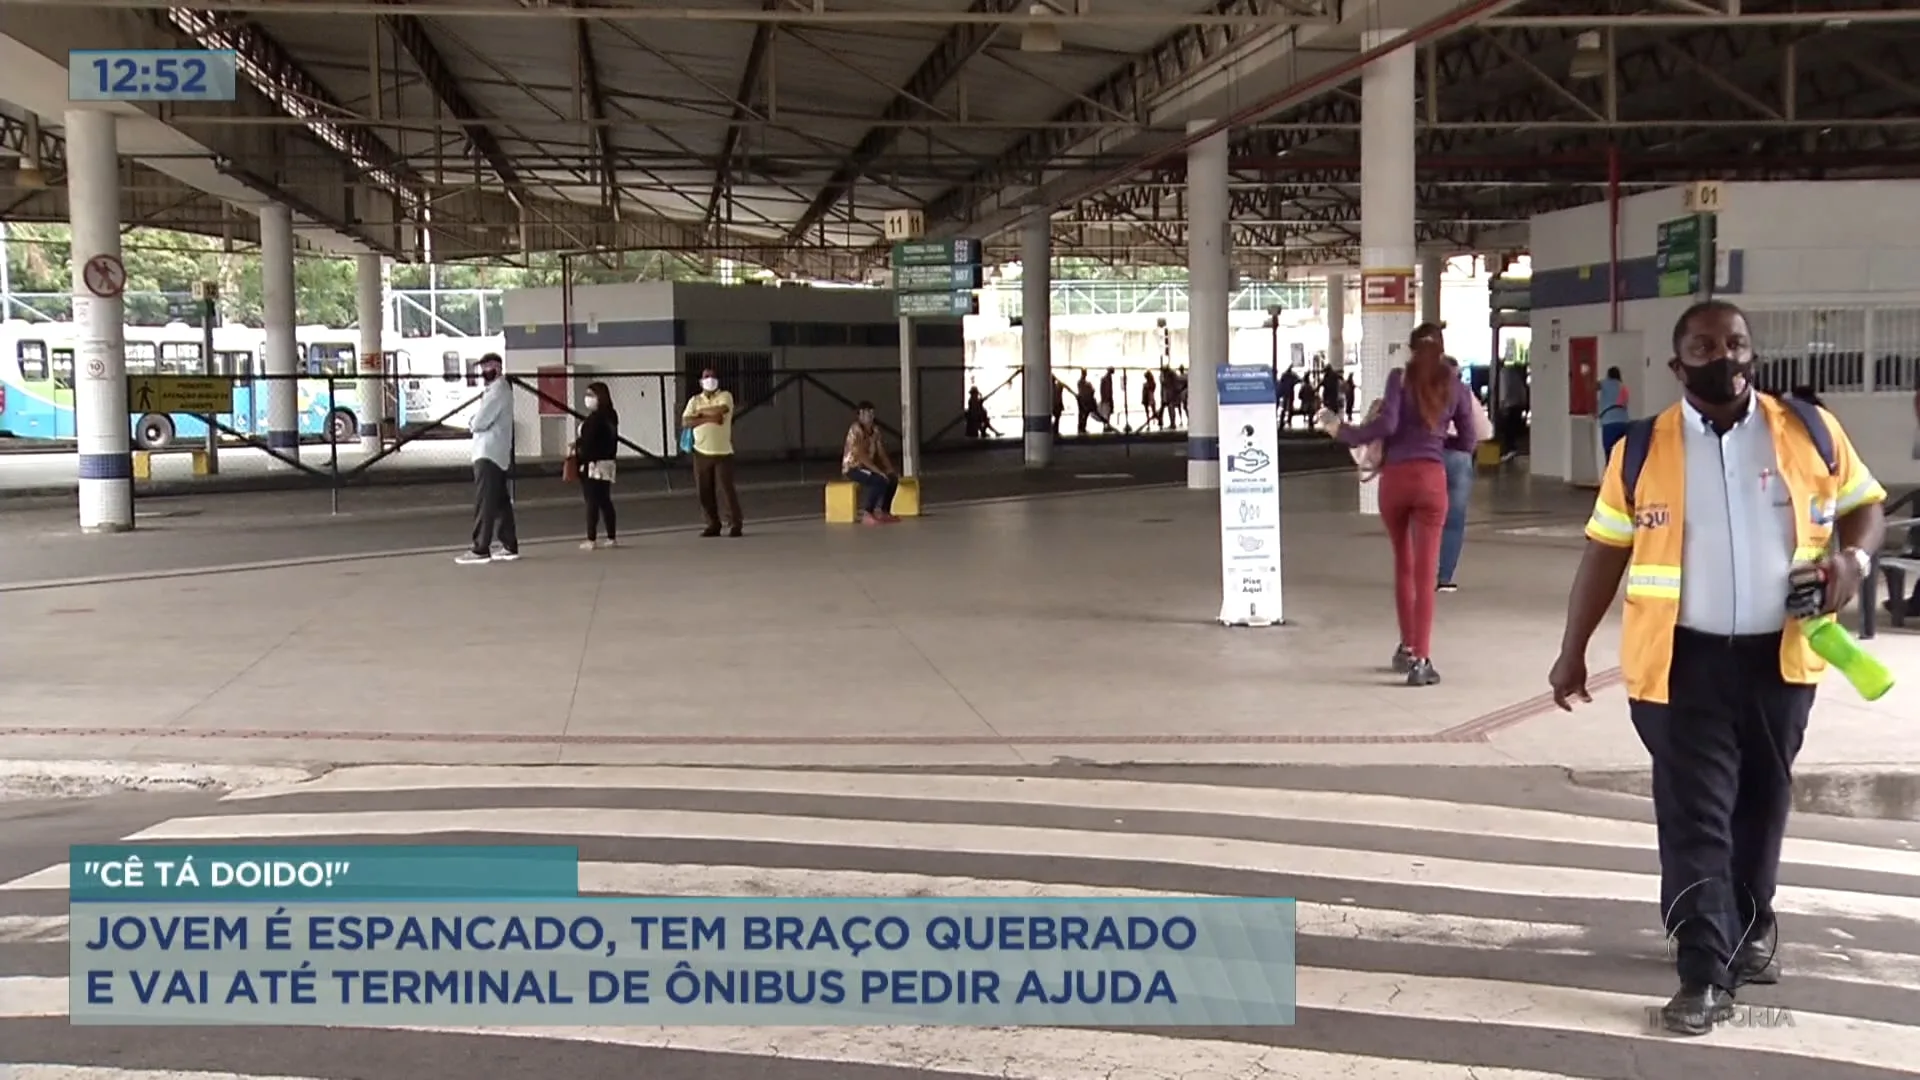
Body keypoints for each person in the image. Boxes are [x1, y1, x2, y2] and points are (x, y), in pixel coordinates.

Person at [1549, 299, 1886, 1036]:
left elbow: (1866, 506)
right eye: (1704, 346)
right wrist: (1573, 649)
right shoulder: (1642, 449)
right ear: (1678, 365)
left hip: (1782, 659)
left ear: (1752, 354)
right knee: (1696, 814)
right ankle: (1704, 969)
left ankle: (1753, 922)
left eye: (1734, 342)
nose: (1723, 356)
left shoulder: (1809, 431)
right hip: (1679, 664)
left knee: (1761, 805)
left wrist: (1851, 563)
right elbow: (1604, 550)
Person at [1319, 323, 1477, 685]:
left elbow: (1387, 424)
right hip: (1431, 482)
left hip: (1395, 482)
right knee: (1426, 572)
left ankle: (1407, 648)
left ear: (1410, 350)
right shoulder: (1454, 385)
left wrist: (1344, 432)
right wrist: (1436, 446)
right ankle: (1422, 661)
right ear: (1440, 350)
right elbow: (1467, 441)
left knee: (1403, 564)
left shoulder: (1398, 379)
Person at [455, 353, 519, 565]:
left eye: (487, 367)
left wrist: (472, 422)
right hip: (497, 453)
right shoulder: (498, 390)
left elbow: (480, 421)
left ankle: (480, 547)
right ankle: (509, 544)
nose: (483, 371)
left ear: (497, 367)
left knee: (485, 502)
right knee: (500, 500)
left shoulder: (497, 391)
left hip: (488, 452)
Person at [1436, 355, 1491, 592]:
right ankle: (1445, 577)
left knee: (1425, 517)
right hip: (1459, 458)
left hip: (1431, 456)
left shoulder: (1422, 392)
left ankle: (1420, 571)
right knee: (1454, 521)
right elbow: (1485, 431)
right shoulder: (1463, 392)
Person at [682, 367, 743, 538]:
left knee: (726, 489)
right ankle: (712, 523)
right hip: (701, 451)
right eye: (706, 377)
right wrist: (708, 418)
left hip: (723, 451)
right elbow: (686, 421)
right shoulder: (694, 400)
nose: (710, 379)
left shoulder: (725, 396)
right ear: (701, 381)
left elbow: (721, 410)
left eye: (713, 376)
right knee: (704, 490)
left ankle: (735, 523)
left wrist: (699, 414)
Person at [572, 381, 619, 550]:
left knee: (592, 500)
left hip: (593, 463)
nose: (587, 399)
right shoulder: (611, 415)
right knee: (604, 499)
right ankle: (611, 536)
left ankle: (591, 538)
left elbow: (590, 441)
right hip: (607, 463)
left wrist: (582, 459)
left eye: (591, 395)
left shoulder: (596, 418)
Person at [842, 400, 900, 526]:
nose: (870, 416)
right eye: (866, 413)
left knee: (892, 479)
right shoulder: (856, 430)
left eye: (871, 412)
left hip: (867, 467)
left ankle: (885, 511)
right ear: (860, 415)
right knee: (879, 480)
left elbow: (881, 452)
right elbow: (861, 455)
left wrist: (889, 469)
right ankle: (868, 513)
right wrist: (877, 471)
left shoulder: (875, 430)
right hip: (854, 467)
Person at [1597, 366, 1631, 462]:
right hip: (1624, 422)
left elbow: (1593, 386)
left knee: (1609, 453)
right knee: (1621, 453)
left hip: (1609, 422)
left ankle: (1610, 474)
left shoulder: (1606, 383)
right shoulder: (1623, 387)